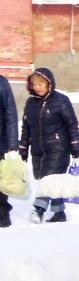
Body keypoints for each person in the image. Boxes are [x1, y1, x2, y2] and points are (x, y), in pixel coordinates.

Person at [19, 68, 79, 224]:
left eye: (41, 83)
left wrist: (75, 145)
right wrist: (24, 146)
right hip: (38, 149)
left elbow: (72, 124)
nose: (37, 87)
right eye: (34, 84)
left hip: (58, 148)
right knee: (53, 181)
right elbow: (26, 126)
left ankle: (38, 210)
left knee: (48, 180)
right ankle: (59, 214)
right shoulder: (31, 103)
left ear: (49, 84)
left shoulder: (61, 100)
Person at [0, 75, 19, 228]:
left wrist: (12, 143)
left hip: (0, 141)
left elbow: (10, 113)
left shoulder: (2, 83)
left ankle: (2, 213)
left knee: (1, 181)